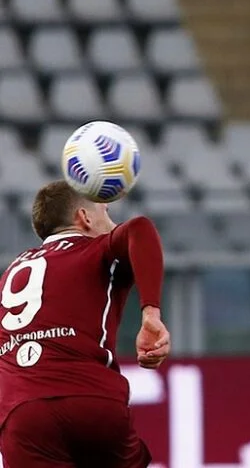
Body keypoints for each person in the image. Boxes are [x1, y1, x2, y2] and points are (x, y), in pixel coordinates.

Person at [0, 180, 170, 468]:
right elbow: (140, 229)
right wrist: (151, 313)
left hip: (22, 412)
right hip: (91, 400)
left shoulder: (11, 272)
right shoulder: (94, 250)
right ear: (84, 217)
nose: (112, 222)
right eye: (106, 210)